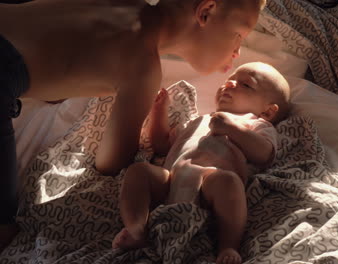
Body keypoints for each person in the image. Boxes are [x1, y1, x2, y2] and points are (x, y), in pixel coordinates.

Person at [0, 0, 266, 252]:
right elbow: (109, 163)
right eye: (239, 34)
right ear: (206, 12)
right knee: (5, 230)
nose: (238, 51)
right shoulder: (143, 66)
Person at [112, 62, 290, 264]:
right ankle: (136, 228)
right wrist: (159, 111)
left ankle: (228, 245)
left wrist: (231, 129)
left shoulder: (256, 124)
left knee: (229, 182)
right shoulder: (198, 120)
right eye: (229, 80)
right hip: (170, 180)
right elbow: (162, 146)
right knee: (139, 171)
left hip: (210, 186)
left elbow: (265, 154)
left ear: (267, 112)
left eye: (245, 85)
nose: (229, 84)